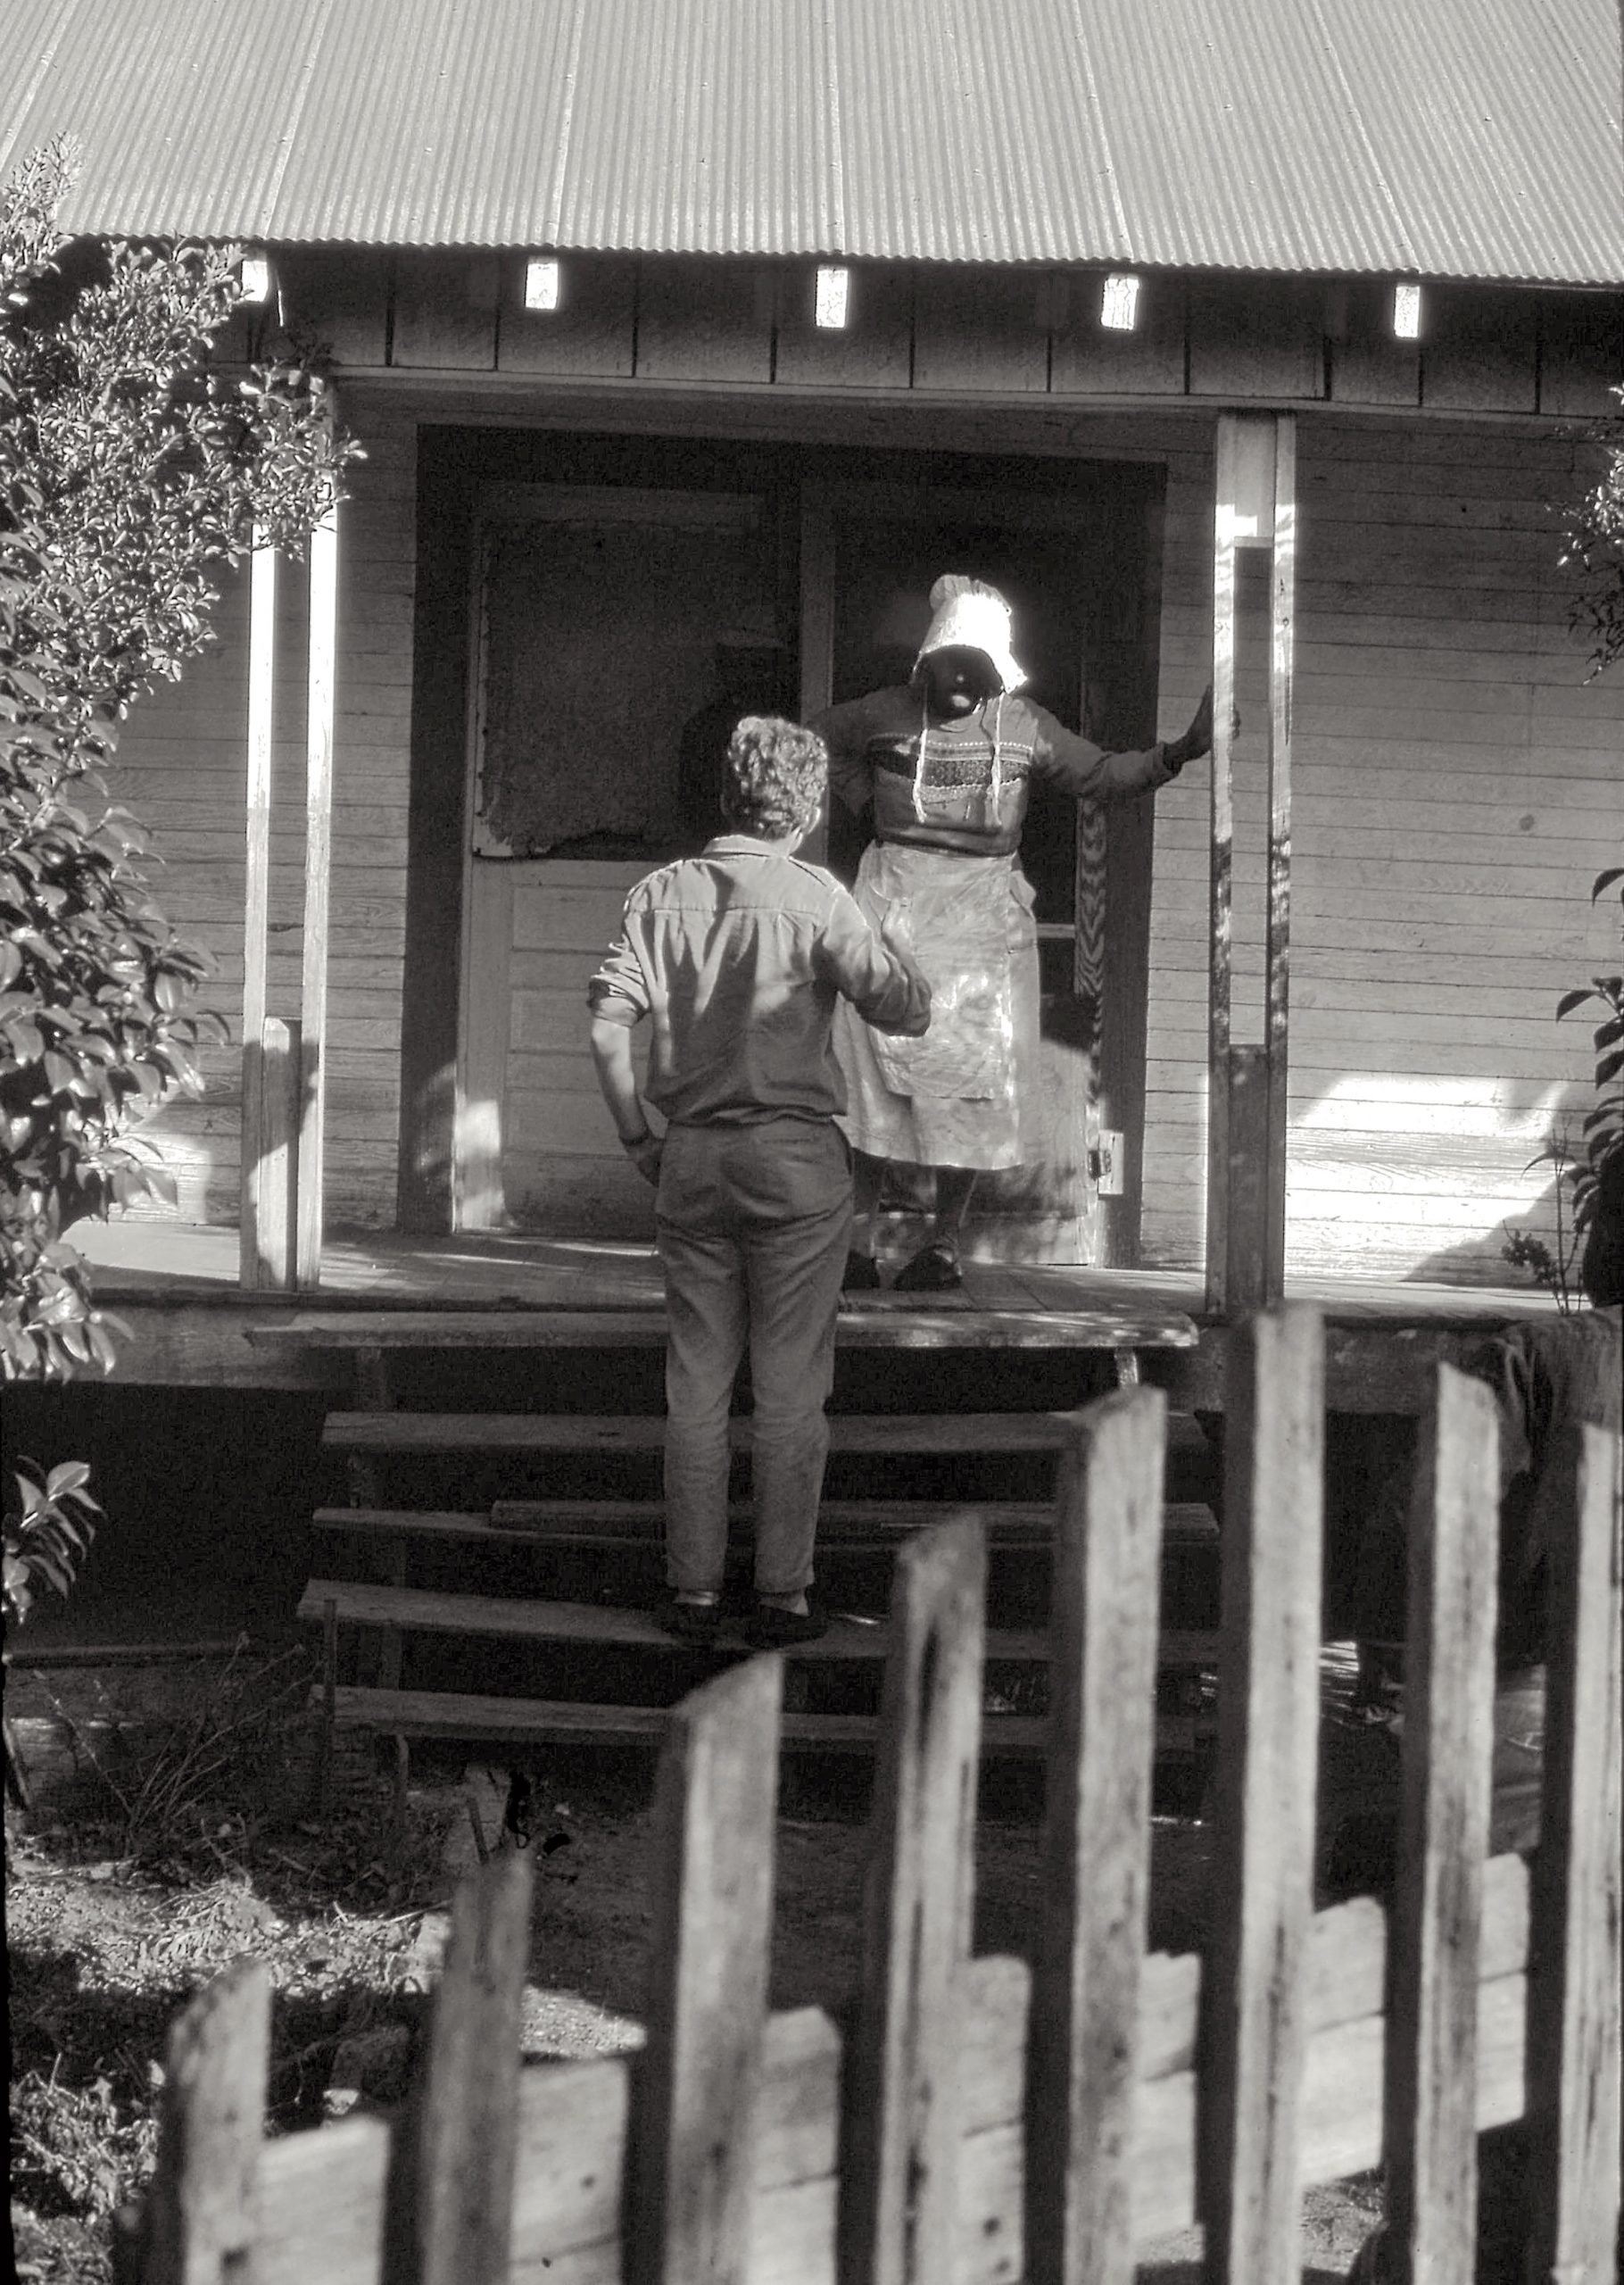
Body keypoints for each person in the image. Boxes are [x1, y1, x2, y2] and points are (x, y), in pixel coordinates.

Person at [586, 715, 931, 1648]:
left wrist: (637, 1142)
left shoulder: (658, 895)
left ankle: (692, 1593)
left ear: (726, 796)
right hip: (795, 1165)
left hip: (691, 1158)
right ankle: (782, 1595)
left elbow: (603, 1028)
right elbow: (902, 1010)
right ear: (811, 805)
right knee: (788, 1388)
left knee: (695, 1384)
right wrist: (906, 959)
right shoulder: (817, 897)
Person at [813, 573, 1215, 1292]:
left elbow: (1103, 776)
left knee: (977, 1082)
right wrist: (859, 798)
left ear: (1000, 672)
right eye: (953, 664)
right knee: (870, 1075)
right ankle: (857, 1239)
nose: (965, 680)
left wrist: (1178, 751)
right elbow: (817, 741)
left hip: (983, 919)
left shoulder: (1024, 726)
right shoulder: (883, 713)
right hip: (892, 906)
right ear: (927, 660)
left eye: (981, 668)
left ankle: (941, 1247)